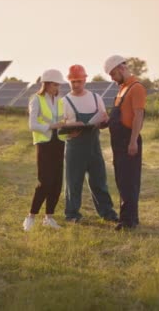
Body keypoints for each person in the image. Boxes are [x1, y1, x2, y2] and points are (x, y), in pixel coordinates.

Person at [62, 64, 119, 223]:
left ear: (85, 80)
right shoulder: (64, 102)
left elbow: (104, 118)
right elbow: (59, 125)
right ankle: (72, 214)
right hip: (74, 147)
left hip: (94, 146)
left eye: (79, 81)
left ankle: (107, 213)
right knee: (73, 182)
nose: (76, 85)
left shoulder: (96, 98)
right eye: (73, 82)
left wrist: (103, 122)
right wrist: (69, 131)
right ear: (69, 81)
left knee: (99, 181)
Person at [22, 69, 69, 232]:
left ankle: (49, 217)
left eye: (58, 85)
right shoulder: (36, 99)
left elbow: (64, 120)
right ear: (46, 84)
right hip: (44, 143)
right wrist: (51, 126)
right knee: (45, 182)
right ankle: (31, 216)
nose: (57, 88)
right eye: (54, 84)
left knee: (57, 182)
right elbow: (32, 124)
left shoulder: (61, 101)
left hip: (59, 142)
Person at [104, 55, 147, 230]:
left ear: (121, 69)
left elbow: (138, 116)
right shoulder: (122, 89)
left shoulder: (136, 88)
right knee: (122, 180)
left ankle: (128, 222)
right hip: (118, 143)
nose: (112, 79)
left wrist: (133, 141)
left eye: (113, 74)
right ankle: (128, 218)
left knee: (129, 181)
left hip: (129, 141)